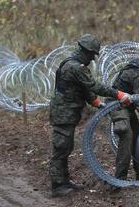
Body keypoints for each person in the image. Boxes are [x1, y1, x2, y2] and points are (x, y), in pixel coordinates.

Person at [49, 34, 131, 197]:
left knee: (66, 147)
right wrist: (119, 94)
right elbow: (93, 85)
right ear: (85, 52)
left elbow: (82, 89)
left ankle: (64, 181)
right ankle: (58, 185)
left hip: (66, 113)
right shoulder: (76, 67)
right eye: (92, 55)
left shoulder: (71, 64)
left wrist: (95, 102)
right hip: (63, 114)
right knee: (61, 148)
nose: (92, 59)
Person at [110, 56, 139, 181]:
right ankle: (119, 179)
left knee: (138, 137)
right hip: (116, 104)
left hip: (127, 106)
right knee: (126, 134)